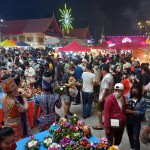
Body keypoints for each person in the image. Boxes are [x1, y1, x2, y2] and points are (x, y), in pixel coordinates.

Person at [1, 74, 28, 140]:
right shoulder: (13, 102)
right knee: (16, 141)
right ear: (14, 90)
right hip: (15, 126)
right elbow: (25, 109)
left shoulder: (4, 98)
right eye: (16, 88)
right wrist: (24, 98)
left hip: (7, 123)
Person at [126, 85, 147, 150]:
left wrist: (132, 112)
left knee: (135, 136)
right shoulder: (127, 97)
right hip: (128, 120)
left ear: (139, 91)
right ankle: (132, 147)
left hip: (136, 121)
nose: (134, 91)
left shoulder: (142, 100)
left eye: (136, 90)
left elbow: (143, 112)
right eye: (133, 89)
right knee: (130, 134)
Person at [93, 64, 114, 129]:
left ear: (104, 70)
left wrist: (102, 98)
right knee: (106, 110)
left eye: (102, 70)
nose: (101, 71)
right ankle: (106, 122)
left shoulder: (106, 77)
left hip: (104, 96)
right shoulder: (110, 76)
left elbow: (106, 89)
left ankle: (100, 124)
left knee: (99, 109)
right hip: (109, 96)